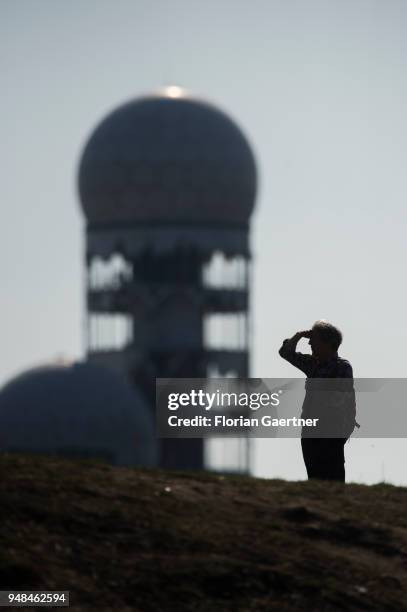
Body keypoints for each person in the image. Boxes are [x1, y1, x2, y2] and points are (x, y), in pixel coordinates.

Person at [278, 320, 357, 483]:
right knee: (314, 478)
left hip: (330, 432)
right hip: (310, 431)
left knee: (333, 478)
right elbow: (285, 352)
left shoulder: (342, 367)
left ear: (328, 343)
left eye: (314, 340)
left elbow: (338, 400)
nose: (310, 343)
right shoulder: (313, 364)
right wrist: (299, 335)